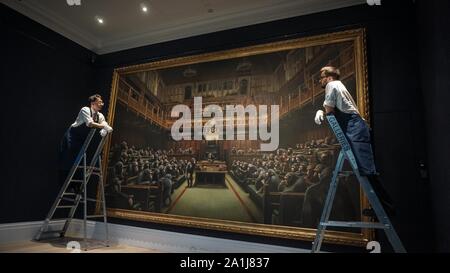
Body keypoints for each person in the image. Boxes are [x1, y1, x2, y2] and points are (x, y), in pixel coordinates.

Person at [314, 66, 395, 216]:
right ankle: (382, 207)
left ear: (329, 77)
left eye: (321, 76)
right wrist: (322, 110)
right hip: (354, 126)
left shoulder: (332, 85)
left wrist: (321, 111)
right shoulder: (338, 85)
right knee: (364, 170)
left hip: (355, 127)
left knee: (367, 170)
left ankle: (387, 207)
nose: (320, 80)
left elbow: (329, 110)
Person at [59, 94, 113, 193]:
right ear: (93, 103)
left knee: (80, 160)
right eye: (100, 102)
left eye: (102, 102)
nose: (102, 104)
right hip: (72, 136)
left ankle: (76, 186)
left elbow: (103, 122)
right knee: (69, 159)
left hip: (81, 139)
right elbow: (90, 123)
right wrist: (103, 127)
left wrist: (105, 128)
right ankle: (66, 185)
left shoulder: (99, 115)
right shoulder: (85, 110)